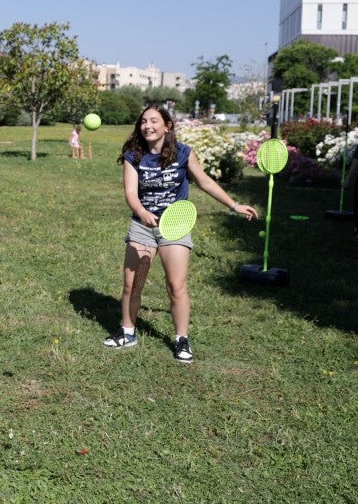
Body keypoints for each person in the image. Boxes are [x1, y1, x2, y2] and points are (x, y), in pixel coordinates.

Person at [102, 105, 259, 363]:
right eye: (143, 121)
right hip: (143, 226)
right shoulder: (134, 155)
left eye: (154, 121)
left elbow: (205, 181)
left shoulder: (183, 153)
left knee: (176, 286)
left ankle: (181, 339)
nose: (147, 126)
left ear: (168, 125)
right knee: (133, 283)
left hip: (174, 226)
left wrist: (233, 205)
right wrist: (142, 212)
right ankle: (128, 332)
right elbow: (131, 193)